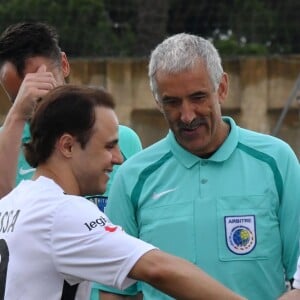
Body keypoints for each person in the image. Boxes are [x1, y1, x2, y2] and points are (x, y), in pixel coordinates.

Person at [96, 33, 300, 300]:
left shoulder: (276, 161)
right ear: (157, 101)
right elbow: (114, 290)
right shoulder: (134, 176)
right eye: (172, 102)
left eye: (198, 97)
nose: (187, 115)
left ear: (222, 88)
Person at [0, 85, 245, 300]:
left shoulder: (9, 205)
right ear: (67, 146)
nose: (118, 159)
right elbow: (157, 269)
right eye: (109, 146)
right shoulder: (62, 212)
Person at [0, 21, 142, 203]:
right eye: (19, 100)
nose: (36, 109)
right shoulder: (5, 148)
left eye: (43, 91)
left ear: (64, 64)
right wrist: (17, 115)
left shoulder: (125, 141)